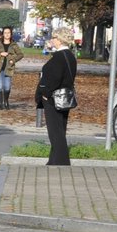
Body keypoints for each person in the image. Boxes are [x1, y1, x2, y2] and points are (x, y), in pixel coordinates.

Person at [35, 32, 77, 165]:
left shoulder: (59, 57)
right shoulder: (70, 56)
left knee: (55, 131)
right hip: (65, 96)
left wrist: (45, 94)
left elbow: (54, 78)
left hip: (54, 97)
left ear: (60, 40)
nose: (51, 40)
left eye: (53, 38)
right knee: (60, 128)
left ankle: (60, 161)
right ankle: (54, 159)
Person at [0, 26, 24, 109]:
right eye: (5, 33)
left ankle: (6, 101)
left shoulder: (13, 44)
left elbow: (20, 54)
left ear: (11, 34)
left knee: (7, 86)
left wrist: (13, 60)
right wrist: (0, 53)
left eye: (8, 33)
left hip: (8, 68)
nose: (7, 34)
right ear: (2, 34)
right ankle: (0, 105)